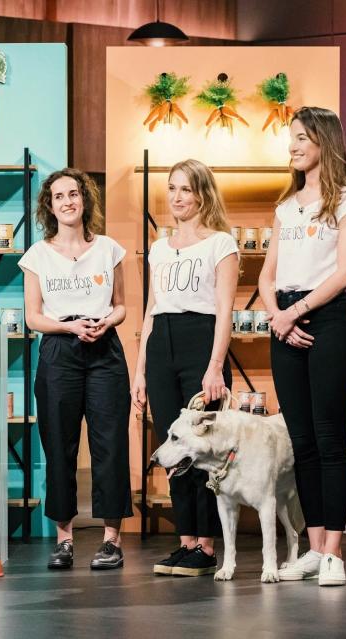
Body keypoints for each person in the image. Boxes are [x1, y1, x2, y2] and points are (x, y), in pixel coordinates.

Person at [258, 106, 346, 587]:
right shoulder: (285, 207)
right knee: (301, 443)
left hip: (328, 322)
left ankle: (334, 554)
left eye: (302, 137)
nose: (295, 146)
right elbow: (267, 275)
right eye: (292, 139)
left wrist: (294, 314)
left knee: (328, 440)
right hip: (284, 323)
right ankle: (314, 546)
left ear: (324, 140)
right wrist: (277, 318)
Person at [19, 167, 132, 570]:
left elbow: (121, 305)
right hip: (58, 352)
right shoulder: (36, 255)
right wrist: (68, 325)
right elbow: (33, 317)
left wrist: (107, 321)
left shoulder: (109, 249)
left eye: (74, 194)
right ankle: (65, 539)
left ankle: (111, 540)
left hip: (105, 352)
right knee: (59, 447)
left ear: (85, 200)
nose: (67, 202)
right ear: (49, 206)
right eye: (59, 196)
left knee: (110, 445)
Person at [131, 159, 238, 578]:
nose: (177, 197)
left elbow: (226, 311)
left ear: (202, 194)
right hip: (162, 345)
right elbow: (152, 310)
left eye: (186, 189)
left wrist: (214, 367)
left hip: (201, 341)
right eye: (172, 189)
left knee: (205, 448)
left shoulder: (221, 244)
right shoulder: (159, 247)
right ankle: (186, 543)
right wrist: (139, 371)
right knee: (175, 447)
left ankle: (208, 546)